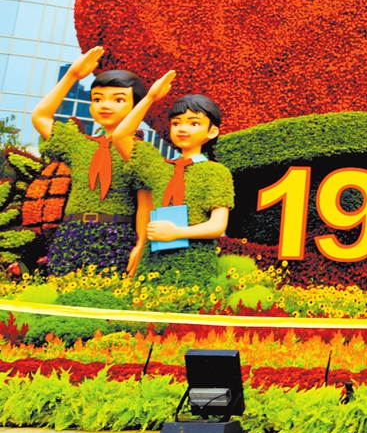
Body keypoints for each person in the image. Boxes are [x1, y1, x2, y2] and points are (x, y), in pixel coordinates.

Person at [31, 46, 152, 275]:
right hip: (71, 233)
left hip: (117, 235)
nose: (105, 105)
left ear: (135, 106)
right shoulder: (79, 144)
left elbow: (146, 200)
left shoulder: (139, 152)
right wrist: (72, 77)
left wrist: (141, 243)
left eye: (118, 99)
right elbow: (40, 116)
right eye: (97, 99)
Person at [111, 71, 234, 283]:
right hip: (153, 260)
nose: (182, 129)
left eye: (193, 123)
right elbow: (121, 136)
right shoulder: (160, 168)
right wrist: (150, 98)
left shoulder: (216, 171)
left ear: (212, 132)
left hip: (194, 262)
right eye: (176, 123)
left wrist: (177, 232)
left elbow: (218, 225)